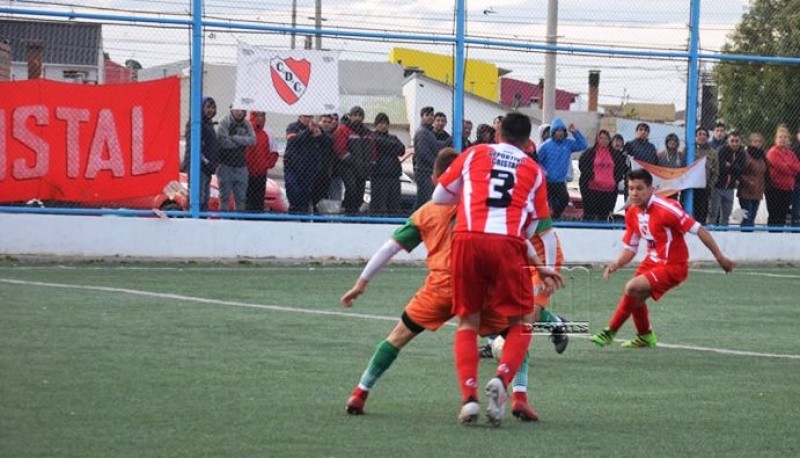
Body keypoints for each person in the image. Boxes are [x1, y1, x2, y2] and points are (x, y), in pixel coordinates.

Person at [341, 148, 551, 421]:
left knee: (397, 337)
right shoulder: (481, 207)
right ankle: (518, 398)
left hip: (439, 287)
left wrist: (361, 283)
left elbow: (389, 248)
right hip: (479, 287)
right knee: (517, 334)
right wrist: (538, 266)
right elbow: (519, 239)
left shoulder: (426, 212)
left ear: (435, 179)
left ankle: (360, 392)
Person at [432, 113, 563, 426]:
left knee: (468, 321)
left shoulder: (474, 153)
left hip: (466, 240)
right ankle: (503, 380)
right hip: (508, 245)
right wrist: (541, 265)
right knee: (522, 319)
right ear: (529, 140)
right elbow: (534, 226)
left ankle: (468, 400)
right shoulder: (534, 170)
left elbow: (439, 196)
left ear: (498, 131)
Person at [590, 168, 734, 349]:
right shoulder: (632, 213)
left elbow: (700, 230)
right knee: (636, 298)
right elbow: (631, 247)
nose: (634, 193)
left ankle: (609, 332)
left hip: (673, 265)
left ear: (652, 189)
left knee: (632, 287)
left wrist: (720, 257)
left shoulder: (668, 209)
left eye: (640, 188)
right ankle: (645, 337)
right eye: (631, 188)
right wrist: (616, 264)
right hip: (651, 262)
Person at [536, 117, 587, 219]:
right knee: (542, 202)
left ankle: (555, 216)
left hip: (560, 182)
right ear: (553, 132)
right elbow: (536, 161)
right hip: (547, 181)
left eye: (562, 130)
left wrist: (575, 132)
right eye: (557, 130)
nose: (560, 133)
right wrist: (543, 172)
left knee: (564, 200)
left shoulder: (568, 144)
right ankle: (543, 219)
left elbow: (583, 145)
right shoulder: (545, 146)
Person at [285, 116, 334, 213]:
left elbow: (329, 143)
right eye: (306, 116)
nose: (308, 119)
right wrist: (308, 131)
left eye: (310, 117)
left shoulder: (317, 129)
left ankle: (310, 223)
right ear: (300, 116)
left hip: (311, 171)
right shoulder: (292, 127)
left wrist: (321, 136)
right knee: (295, 197)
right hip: (294, 169)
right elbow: (293, 142)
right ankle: (294, 221)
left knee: (311, 201)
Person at [180, 96, 220, 212]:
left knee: (205, 198)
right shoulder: (195, 123)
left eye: (213, 107)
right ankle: (191, 219)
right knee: (197, 197)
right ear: (201, 108)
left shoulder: (209, 123)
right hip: (198, 167)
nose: (211, 110)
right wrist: (206, 161)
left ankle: (201, 219)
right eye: (208, 107)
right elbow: (195, 146)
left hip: (207, 168)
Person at [578, 129, 627, 221]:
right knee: (589, 215)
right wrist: (592, 177)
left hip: (609, 190)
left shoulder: (615, 154)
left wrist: (614, 180)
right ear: (597, 139)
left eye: (606, 138)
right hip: (591, 189)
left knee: (604, 215)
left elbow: (621, 169)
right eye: (601, 138)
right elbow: (582, 165)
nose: (604, 140)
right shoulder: (590, 152)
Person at [334, 106, 373, 215]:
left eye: (360, 115)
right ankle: (348, 210)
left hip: (362, 166)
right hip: (347, 166)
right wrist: (355, 161)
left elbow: (372, 149)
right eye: (355, 115)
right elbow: (341, 150)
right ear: (350, 116)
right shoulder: (343, 130)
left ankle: (354, 212)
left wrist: (370, 163)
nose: (358, 118)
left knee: (360, 191)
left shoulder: (367, 132)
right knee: (351, 188)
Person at [216, 107, 256, 212]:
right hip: (225, 165)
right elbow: (223, 142)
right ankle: (223, 221)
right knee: (224, 197)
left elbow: (253, 141)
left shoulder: (247, 124)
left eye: (242, 110)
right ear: (231, 110)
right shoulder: (224, 122)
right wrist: (242, 142)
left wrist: (235, 138)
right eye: (236, 110)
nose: (239, 112)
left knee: (241, 198)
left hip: (241, 166)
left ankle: (239, 222)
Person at [370, 113, 405, 216]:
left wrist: (387, 145)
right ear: (376, 125)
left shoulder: (393, 137)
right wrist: (391, 146)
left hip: (394, 175)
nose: (383, 126)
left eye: (385, 123)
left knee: (394, 205)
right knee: (379, 205)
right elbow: (383, 144)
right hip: (379, 175)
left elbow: (401, 150)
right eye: (380, 123)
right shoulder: (372, 137)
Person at [766, 125, 800, 227]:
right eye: (780, 137)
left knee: (783, 216)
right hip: (775, 189)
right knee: (775, 216)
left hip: (788, 189)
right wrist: (790, 167)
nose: (783, 139)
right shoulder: (773, 152)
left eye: (785, 137)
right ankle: (772, 237)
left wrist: (789, 166)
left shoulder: (790, 153)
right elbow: (782, 168)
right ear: (776, 139)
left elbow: (798, 167)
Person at [709, 131, 746, 226]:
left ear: (740, 142)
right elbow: (720, 167)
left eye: (737, 141)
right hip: (717, 186)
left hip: (730, 188)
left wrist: (729, 166)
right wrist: (733, 167)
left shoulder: (742, 153)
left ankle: (723, 232)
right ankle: (711, 232)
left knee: (726, 214)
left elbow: (741, 169)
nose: (734, 143)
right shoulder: (721, 150)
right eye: (732, 141)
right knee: (713, 213)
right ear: (728, 141)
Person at [244, 111, 278, 212]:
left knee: (258, 200)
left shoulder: (268, 132)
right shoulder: (245, 130)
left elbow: (274, 152)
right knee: (245, 200)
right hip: (245, 172)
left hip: (260, 173)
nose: (261, 118)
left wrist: (266, 165)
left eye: (263, 115)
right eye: (258, 115)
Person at [690, 127, 719, 225]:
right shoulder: (689, 149)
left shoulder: (712, 152)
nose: (702, 137)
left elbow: (716, 172)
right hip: (690, 187)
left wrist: (710, 185)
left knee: (702, 213)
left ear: (707, 137)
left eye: (704, 135)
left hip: (704, 187)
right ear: (695, 136)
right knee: (689, 211)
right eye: (700, 134)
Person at [738, 133, 767, 229]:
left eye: (759, 141)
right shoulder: (746, 155)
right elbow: (740, 173)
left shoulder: (762, 156)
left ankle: (749, 237)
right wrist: (749, 182)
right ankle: (744, 236)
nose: (757, 144)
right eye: (755, 141)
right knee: (747, 217)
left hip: (757, 191)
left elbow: (763, 173)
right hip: (746, 192)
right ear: (750, 143)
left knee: (752, 218)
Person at [412, 106, 438, 209]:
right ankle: (414, 219)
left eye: (432, 115)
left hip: (427, 171)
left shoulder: (429, 132)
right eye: (427, 115)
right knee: (423, 199)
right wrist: (435, 164)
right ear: (422, 117)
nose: (430, 117)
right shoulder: (422, 132)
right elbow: (423, 152)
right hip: (424, 171)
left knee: (425, 198)